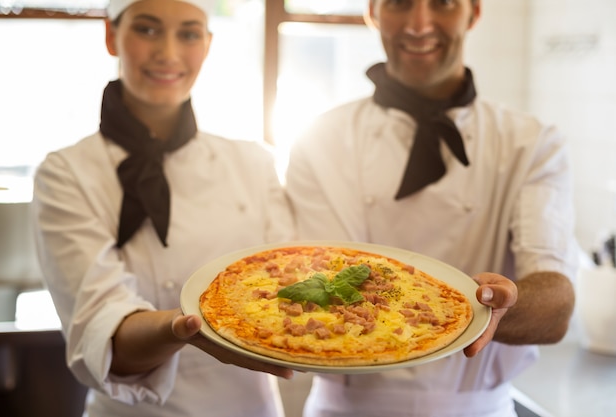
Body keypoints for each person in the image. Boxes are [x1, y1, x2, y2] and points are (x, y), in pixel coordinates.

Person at [285, 0, 578, 416]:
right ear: (374, 12)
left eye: (441, 3)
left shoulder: (531, 143)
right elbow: (319, 280)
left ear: (473, 13)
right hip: (346, 409)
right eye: (400, 3)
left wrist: (500, 309)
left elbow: (557, 306)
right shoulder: (320, 138)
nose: (419, 25)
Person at [31, 1, 295, 416]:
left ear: (206, 46)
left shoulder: (253, 162)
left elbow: (290, 284)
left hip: (250, 407)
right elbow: (102, 331)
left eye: (188, 33)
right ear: (110, 35)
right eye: (148, 30)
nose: (168, 53)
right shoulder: (66, 173)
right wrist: (183, 329)